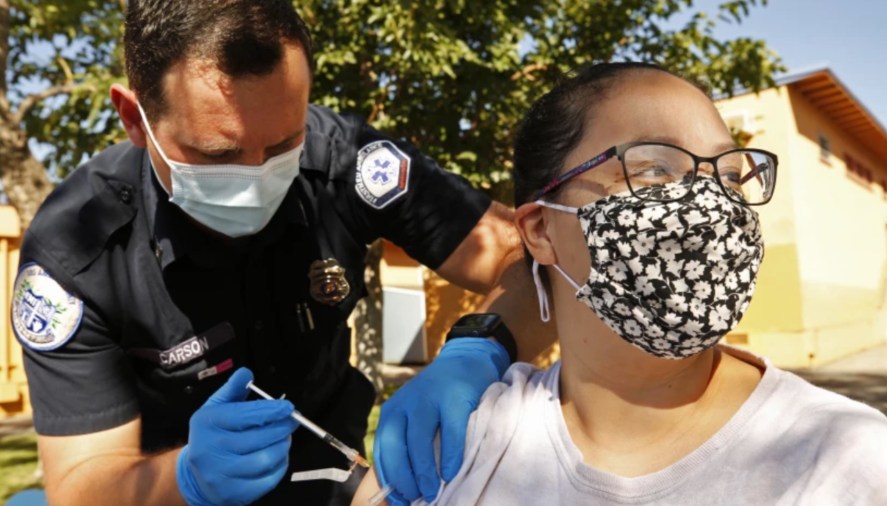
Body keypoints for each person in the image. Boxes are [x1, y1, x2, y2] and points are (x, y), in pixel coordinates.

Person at [11, 1, 552, 505]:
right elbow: (81, 485)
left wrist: (480, 351)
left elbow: (531, 262)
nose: (255, 179)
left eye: (281, 145)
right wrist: (188, 477)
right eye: (217, 154)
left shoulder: (349, 165)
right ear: (134, 119)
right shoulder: (75, 251)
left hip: (333, 474)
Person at [354, 62, 887, 505]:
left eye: (730, 174)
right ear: (541, 230)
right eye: (655, 168)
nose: (710, 202)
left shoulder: (853, 462)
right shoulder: (460, 449)